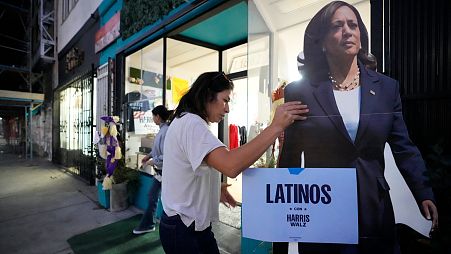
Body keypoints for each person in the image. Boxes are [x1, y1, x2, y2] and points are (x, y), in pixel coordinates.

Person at [275, 1, 438, 254]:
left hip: (374, 205)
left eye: (353, 25)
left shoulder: (386, 88)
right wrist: (282, 226)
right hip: (323, 206)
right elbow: (292, 156)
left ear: (361, 36)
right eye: (337, 26)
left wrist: (423, 191)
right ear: (322, 41)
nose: (348, 31)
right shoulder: (300, 91)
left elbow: (404, 147)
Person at [158, 71, 309, 253]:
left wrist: (214, 187)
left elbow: (191, 167)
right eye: (225, 100)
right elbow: (230, 165)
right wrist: (276, 127)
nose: (227, 109)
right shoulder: (192, 124)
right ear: (207, 95)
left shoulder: (186, 121)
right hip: (184, 228)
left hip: (189, 225)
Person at [132, 105, 171, 234]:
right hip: (161, 172)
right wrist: (148, 156)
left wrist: (151, 161)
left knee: (159, 199)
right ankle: (149, 224)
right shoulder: (162, 130)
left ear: (158, 117)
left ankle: (152, 224)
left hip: (166, 173)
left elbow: (167, 155)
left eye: (153, 116)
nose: (153, 119)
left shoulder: (166, 131)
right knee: (153, 196)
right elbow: (157, 150)